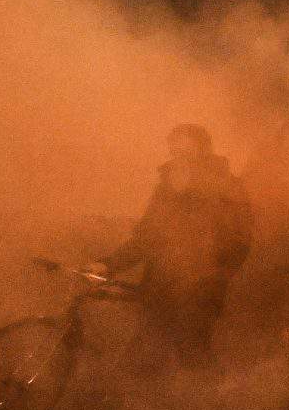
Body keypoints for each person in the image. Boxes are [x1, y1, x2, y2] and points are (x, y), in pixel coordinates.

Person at [94, 124, 252, 362]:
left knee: (192, 362)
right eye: (176, 151)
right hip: (159, 289)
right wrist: (108, 265)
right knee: (142, 363)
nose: (181, 158)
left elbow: (240, 240)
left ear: (203, 151)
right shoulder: (167, 189)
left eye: (187, 152)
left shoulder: (227, 187)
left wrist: (215, 277)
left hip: (199, 295)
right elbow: (146, 238)